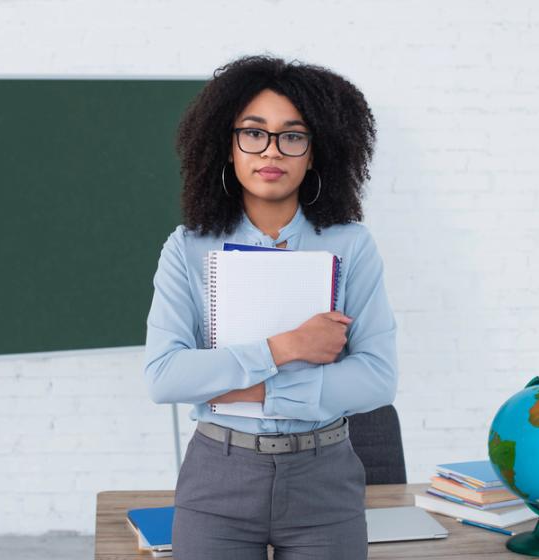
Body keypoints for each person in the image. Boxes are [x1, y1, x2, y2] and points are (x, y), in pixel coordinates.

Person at [143, 54, 398, 560]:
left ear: (314, 152)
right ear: (228, 145)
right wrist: (287, 347)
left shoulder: (351, 245)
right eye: (254, 133)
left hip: (324, 478)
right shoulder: (187, 248)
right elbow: (164, 378)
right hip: (218, 476)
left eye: (292, 136)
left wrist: (246, 389)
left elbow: (377, 380)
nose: (271, 151)